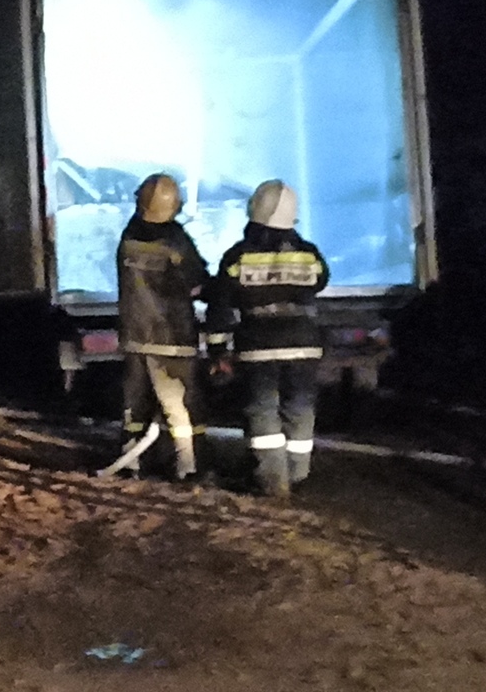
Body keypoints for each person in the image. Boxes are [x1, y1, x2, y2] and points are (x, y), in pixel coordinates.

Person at [207, 180, 329, 498]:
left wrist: (218, 350)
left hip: (257, 348)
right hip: (304, 346)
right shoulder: (309, 254)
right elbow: (320, 280)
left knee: (263, 410)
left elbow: (220, 306)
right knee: (300, 407)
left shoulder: (237, 257)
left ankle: (272, 479)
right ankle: (298, 473)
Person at [116, 173, 209, 481]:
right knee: (178, 406)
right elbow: (196, 283)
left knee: (135, 407)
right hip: (172, 335)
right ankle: (187, 467)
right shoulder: (175, 241)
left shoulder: (128, 236)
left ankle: (131, 464)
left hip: (134, 335)